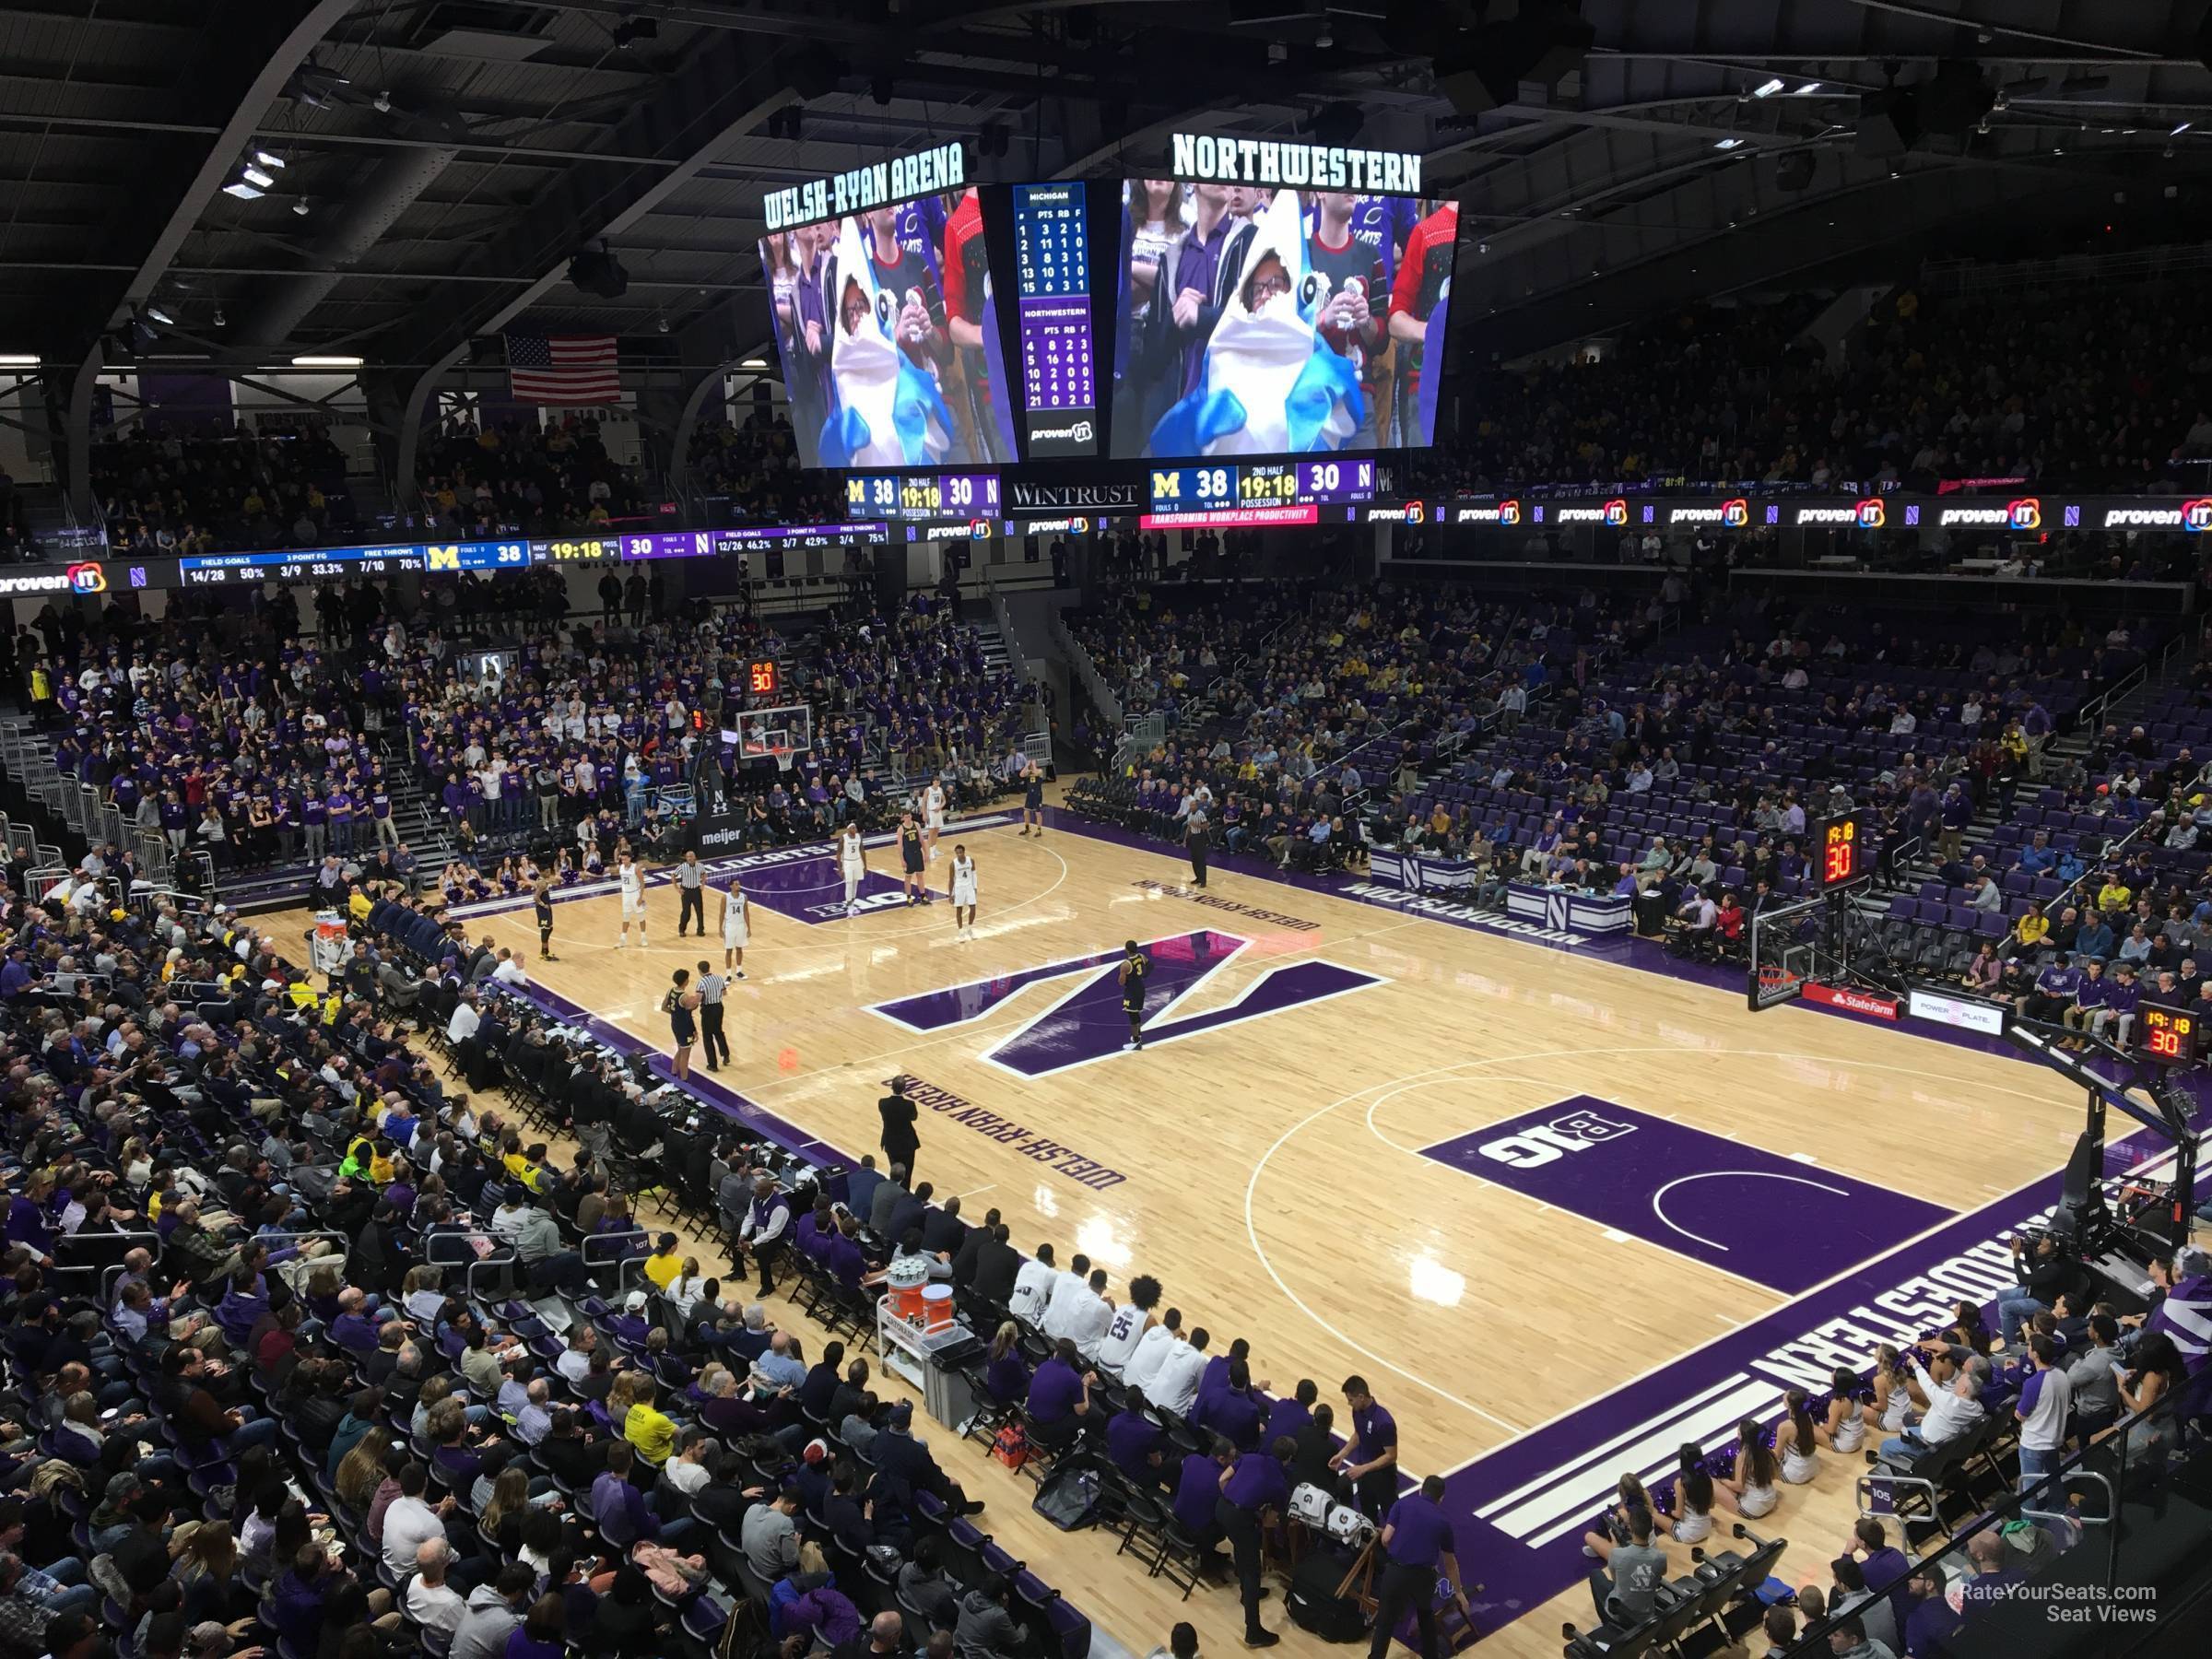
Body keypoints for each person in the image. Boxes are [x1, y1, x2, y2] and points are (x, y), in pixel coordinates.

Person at [1368, 1474, 1469, 1659]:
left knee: (1385, 1619)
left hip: (1396, 1572)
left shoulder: (1402, 1504)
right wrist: (1459, 1592)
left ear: (1421, 1490)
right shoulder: (1443, 1522)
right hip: (1423, 1577)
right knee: (1425, 1615)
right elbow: (1450, 1562)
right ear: (1441, 1499)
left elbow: (1386, 1538)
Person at [1218, 1436, 1292, 1647]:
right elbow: (1269, 1523)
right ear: (1287, 1459)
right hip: (1240, 1518)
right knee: (1252, 1570)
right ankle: (1253, 1631)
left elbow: (1222, 1480)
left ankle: (1246, 1592)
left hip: (1221, 1507)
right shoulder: (1279, 1484)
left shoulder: (1250, 1458)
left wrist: (1233, 1500)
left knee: (1241, 1548)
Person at [1330, 1375, 1397, 1519]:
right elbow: (1358, 1434)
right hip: (1363, 1473)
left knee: (1391, 1515)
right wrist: (1342, 1454)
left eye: (1350, 1400)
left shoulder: (1384, 1422)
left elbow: (1391, 1456)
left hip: (1383, 1477)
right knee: (1368, 1514)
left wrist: (1364, 1468)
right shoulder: (1357, 1411)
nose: (1349, 1404)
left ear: (1361, 1397)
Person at [878, 1077, 921, 1182]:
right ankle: (904, 1195)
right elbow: (914, 1117)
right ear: (904, 1089)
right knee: (907, 1175)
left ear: (891, 1087)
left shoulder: (883, 1103)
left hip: (890, 1142)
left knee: (895, 1173)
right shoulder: (909, 1105)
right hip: (907, 1144)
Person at [664, 970, 700, 1082]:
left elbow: (663, 1007)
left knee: (680, 1049)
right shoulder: (684, 997)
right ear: (685, 981)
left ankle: (673, 1072)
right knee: (685, 1055)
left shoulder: (671, 991)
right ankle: (684, 1080)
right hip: (685, 1028)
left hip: (675, 1024)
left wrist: (675, 1013)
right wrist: (694, 1030)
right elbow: (689, 1014)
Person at [696, 961, 730, 1071]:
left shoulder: (701, 982)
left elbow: (699, 998)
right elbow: (724, 993)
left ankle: (712, 1064)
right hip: (719, 1007)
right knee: (718, 1032)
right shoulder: (719, 978)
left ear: (700, 970)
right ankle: (725, 1055)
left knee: (707, 1037)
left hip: (708, 1010)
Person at [1119, 939, 1150, 1052]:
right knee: (1136, 1014)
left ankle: (1136, 1042)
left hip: (1132, 991)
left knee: (1132, 1016)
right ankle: (1138, 1036)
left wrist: (1127, 979)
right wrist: (1144, 976)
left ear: (1126, 950)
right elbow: (1150, 965)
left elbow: (1121, 982)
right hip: (1141, 989)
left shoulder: (1125, 965)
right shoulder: (1141, 956)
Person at [898, 811, 929, 905]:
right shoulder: (901, 829)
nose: (908, 818)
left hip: (917, 852)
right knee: (908, 876)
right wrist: (902, 860)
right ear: (903, 818)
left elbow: (922, 840)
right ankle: (909, 897)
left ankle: (923, 896)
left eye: (909, 816)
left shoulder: (916, 825)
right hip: (908, 854)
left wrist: (926, 853)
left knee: (920, 874)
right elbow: (900, 846)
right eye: (906, 817)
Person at [616, 853, 646, 947]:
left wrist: (640, 897)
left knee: (641, 916)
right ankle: (623, 939)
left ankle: (643, 938)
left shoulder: (636, 868)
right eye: (622, 860)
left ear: (629, 858)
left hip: (635, 894)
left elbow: (642, 883)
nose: (624, 861)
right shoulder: (621, 867)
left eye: (625, 859)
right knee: (626, 917)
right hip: (625, 895)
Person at [948, 844, 979, 939]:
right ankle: (961, 932)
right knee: (959, 910)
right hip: (959, 888)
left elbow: (974, 874)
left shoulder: (971, 861)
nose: (959, 854)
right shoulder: (953, 864)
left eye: (960, 852)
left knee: (973, 908)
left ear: (964, 852)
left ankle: (969, 929)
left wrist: (975, 887)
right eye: (957, 853)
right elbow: (951, 880)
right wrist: (951, 894)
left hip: (969, 886)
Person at [721, 877, 749, 977]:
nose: (738, 886)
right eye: (736, 884)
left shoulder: (744, 897)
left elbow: (746, 912)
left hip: (741, 925)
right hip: (730, 926)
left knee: (739, 949)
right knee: (729, 950)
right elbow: (721, 913)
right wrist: (720, 928)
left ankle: (739, 971)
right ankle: (728, 974)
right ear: (731, 886)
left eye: (739, 884)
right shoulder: (725, 897)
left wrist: (749, 928)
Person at [675, 849, 707, 937]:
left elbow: (704, 874)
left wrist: (703, 884)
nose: (689, 858)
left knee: (699, 911)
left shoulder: (700, 866)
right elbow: (673, 875)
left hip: (696, 890)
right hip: (686, 891)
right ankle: (682, 929)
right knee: (686, 913)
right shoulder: (682, 867)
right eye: (687, 857)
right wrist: (677, 888)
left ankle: (700, 930)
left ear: (695, 857)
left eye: (691, 856)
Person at [838, 822, 867, 916]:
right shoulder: (843, 838)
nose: (855, 829)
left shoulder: (859, 837)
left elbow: (862, 850)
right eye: (853, 828)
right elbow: (838, 854)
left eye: (855, 828)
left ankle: (852, 905)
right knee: (849, 884)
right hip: (847, 862)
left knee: (855, 884)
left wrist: (865, 865)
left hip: (857, 861)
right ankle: (849, 906)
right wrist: (840, 869)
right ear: (848, 829)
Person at [922, 778, 947, 863]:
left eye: (938, 782)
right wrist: (924, 814)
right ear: (933, 782)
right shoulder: (928, 790)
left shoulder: (940, 789)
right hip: (930, 813)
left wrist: (940, 807)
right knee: (930, 833)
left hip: (938, 812)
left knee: (936, 832)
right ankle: (929, 852)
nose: (937, 783)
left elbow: (944, 801)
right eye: (936, 782)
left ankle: (934, 849)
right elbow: (924, 802)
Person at [1184, 808, 1211, 889]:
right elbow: (1189, 827)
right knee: (1194, 859)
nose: (1192, 807)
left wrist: (1196, 825)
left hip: (1201, 837)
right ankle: (1198, 878)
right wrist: (1185, 839)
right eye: (1191, 805)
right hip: (1193, 837)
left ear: (1196, 806)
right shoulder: (1190, 815)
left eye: (1193, 805)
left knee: (1201, 859)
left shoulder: (1200, 814)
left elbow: (1206, 826)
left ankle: (1203, 881)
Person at [533, 880, 557, 962]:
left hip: (547, 908)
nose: (549, 873)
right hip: (542, 910)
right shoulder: (542, 883)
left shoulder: (544, 881)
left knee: (549, 928)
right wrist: (543, 905)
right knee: (545, 930)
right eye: (547, 872)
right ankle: (544, 953)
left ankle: (546, 952)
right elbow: (535, 897)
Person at [1020, 765, 1044, 837]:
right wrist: (1026, 766)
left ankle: (1039, 830)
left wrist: (1033, 766)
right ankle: (1027, 829)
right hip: (1030, 794)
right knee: (1026, 813)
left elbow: (1036, 773)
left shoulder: (1040, 771)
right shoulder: (1028, 772)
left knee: (1038, 813)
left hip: (1037, 795)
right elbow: (1021, 774)